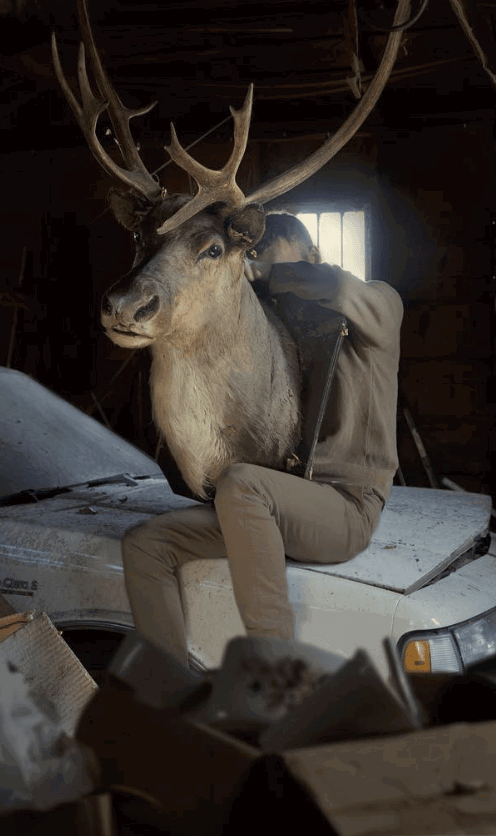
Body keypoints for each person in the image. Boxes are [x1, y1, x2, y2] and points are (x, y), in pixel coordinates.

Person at [121, 212, 404, 666]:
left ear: (311, 256)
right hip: (281, 506)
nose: (257, 271)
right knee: (145, 543)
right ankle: (166, 685)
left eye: (261, 257)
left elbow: (337, 288)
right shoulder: (289, 332)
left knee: (240, 483)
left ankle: (275, 670)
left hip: (348, 506)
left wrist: (270, 273)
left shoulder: (380, 305)